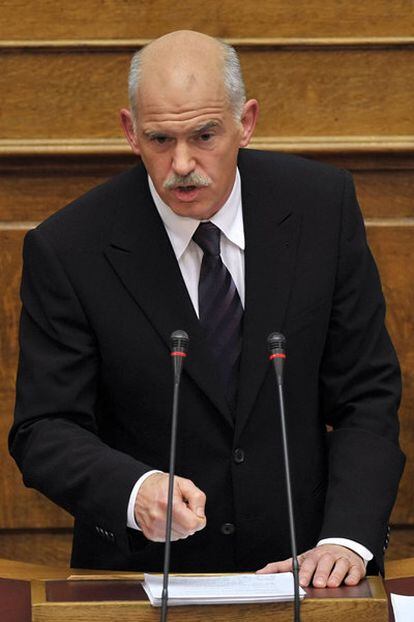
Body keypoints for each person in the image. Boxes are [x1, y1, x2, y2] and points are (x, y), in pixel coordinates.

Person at [10, 30, 404, 588]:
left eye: (204, 135)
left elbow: (366, 392)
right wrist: (133, 488)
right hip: (148, 578)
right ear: (129, 132)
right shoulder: (70, 248)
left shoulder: (322, 207)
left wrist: (346, 538)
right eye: (159, 139)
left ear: (246, 122)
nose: (182, 163)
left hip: (308, 572)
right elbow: (43, 428)